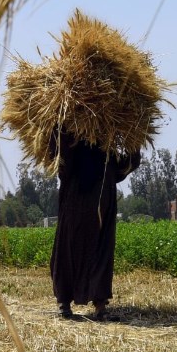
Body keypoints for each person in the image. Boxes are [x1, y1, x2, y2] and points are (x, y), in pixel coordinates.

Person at [51, 133, 141, 321]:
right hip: (75, 207)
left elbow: (123, 168)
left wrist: (135, 142)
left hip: (101, 209)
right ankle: (64, 302)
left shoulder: (106, 151)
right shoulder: (70, 144)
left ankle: (100, 305)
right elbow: (59, 164)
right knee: (69, 251)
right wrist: (59, 133)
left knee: (100, 253)